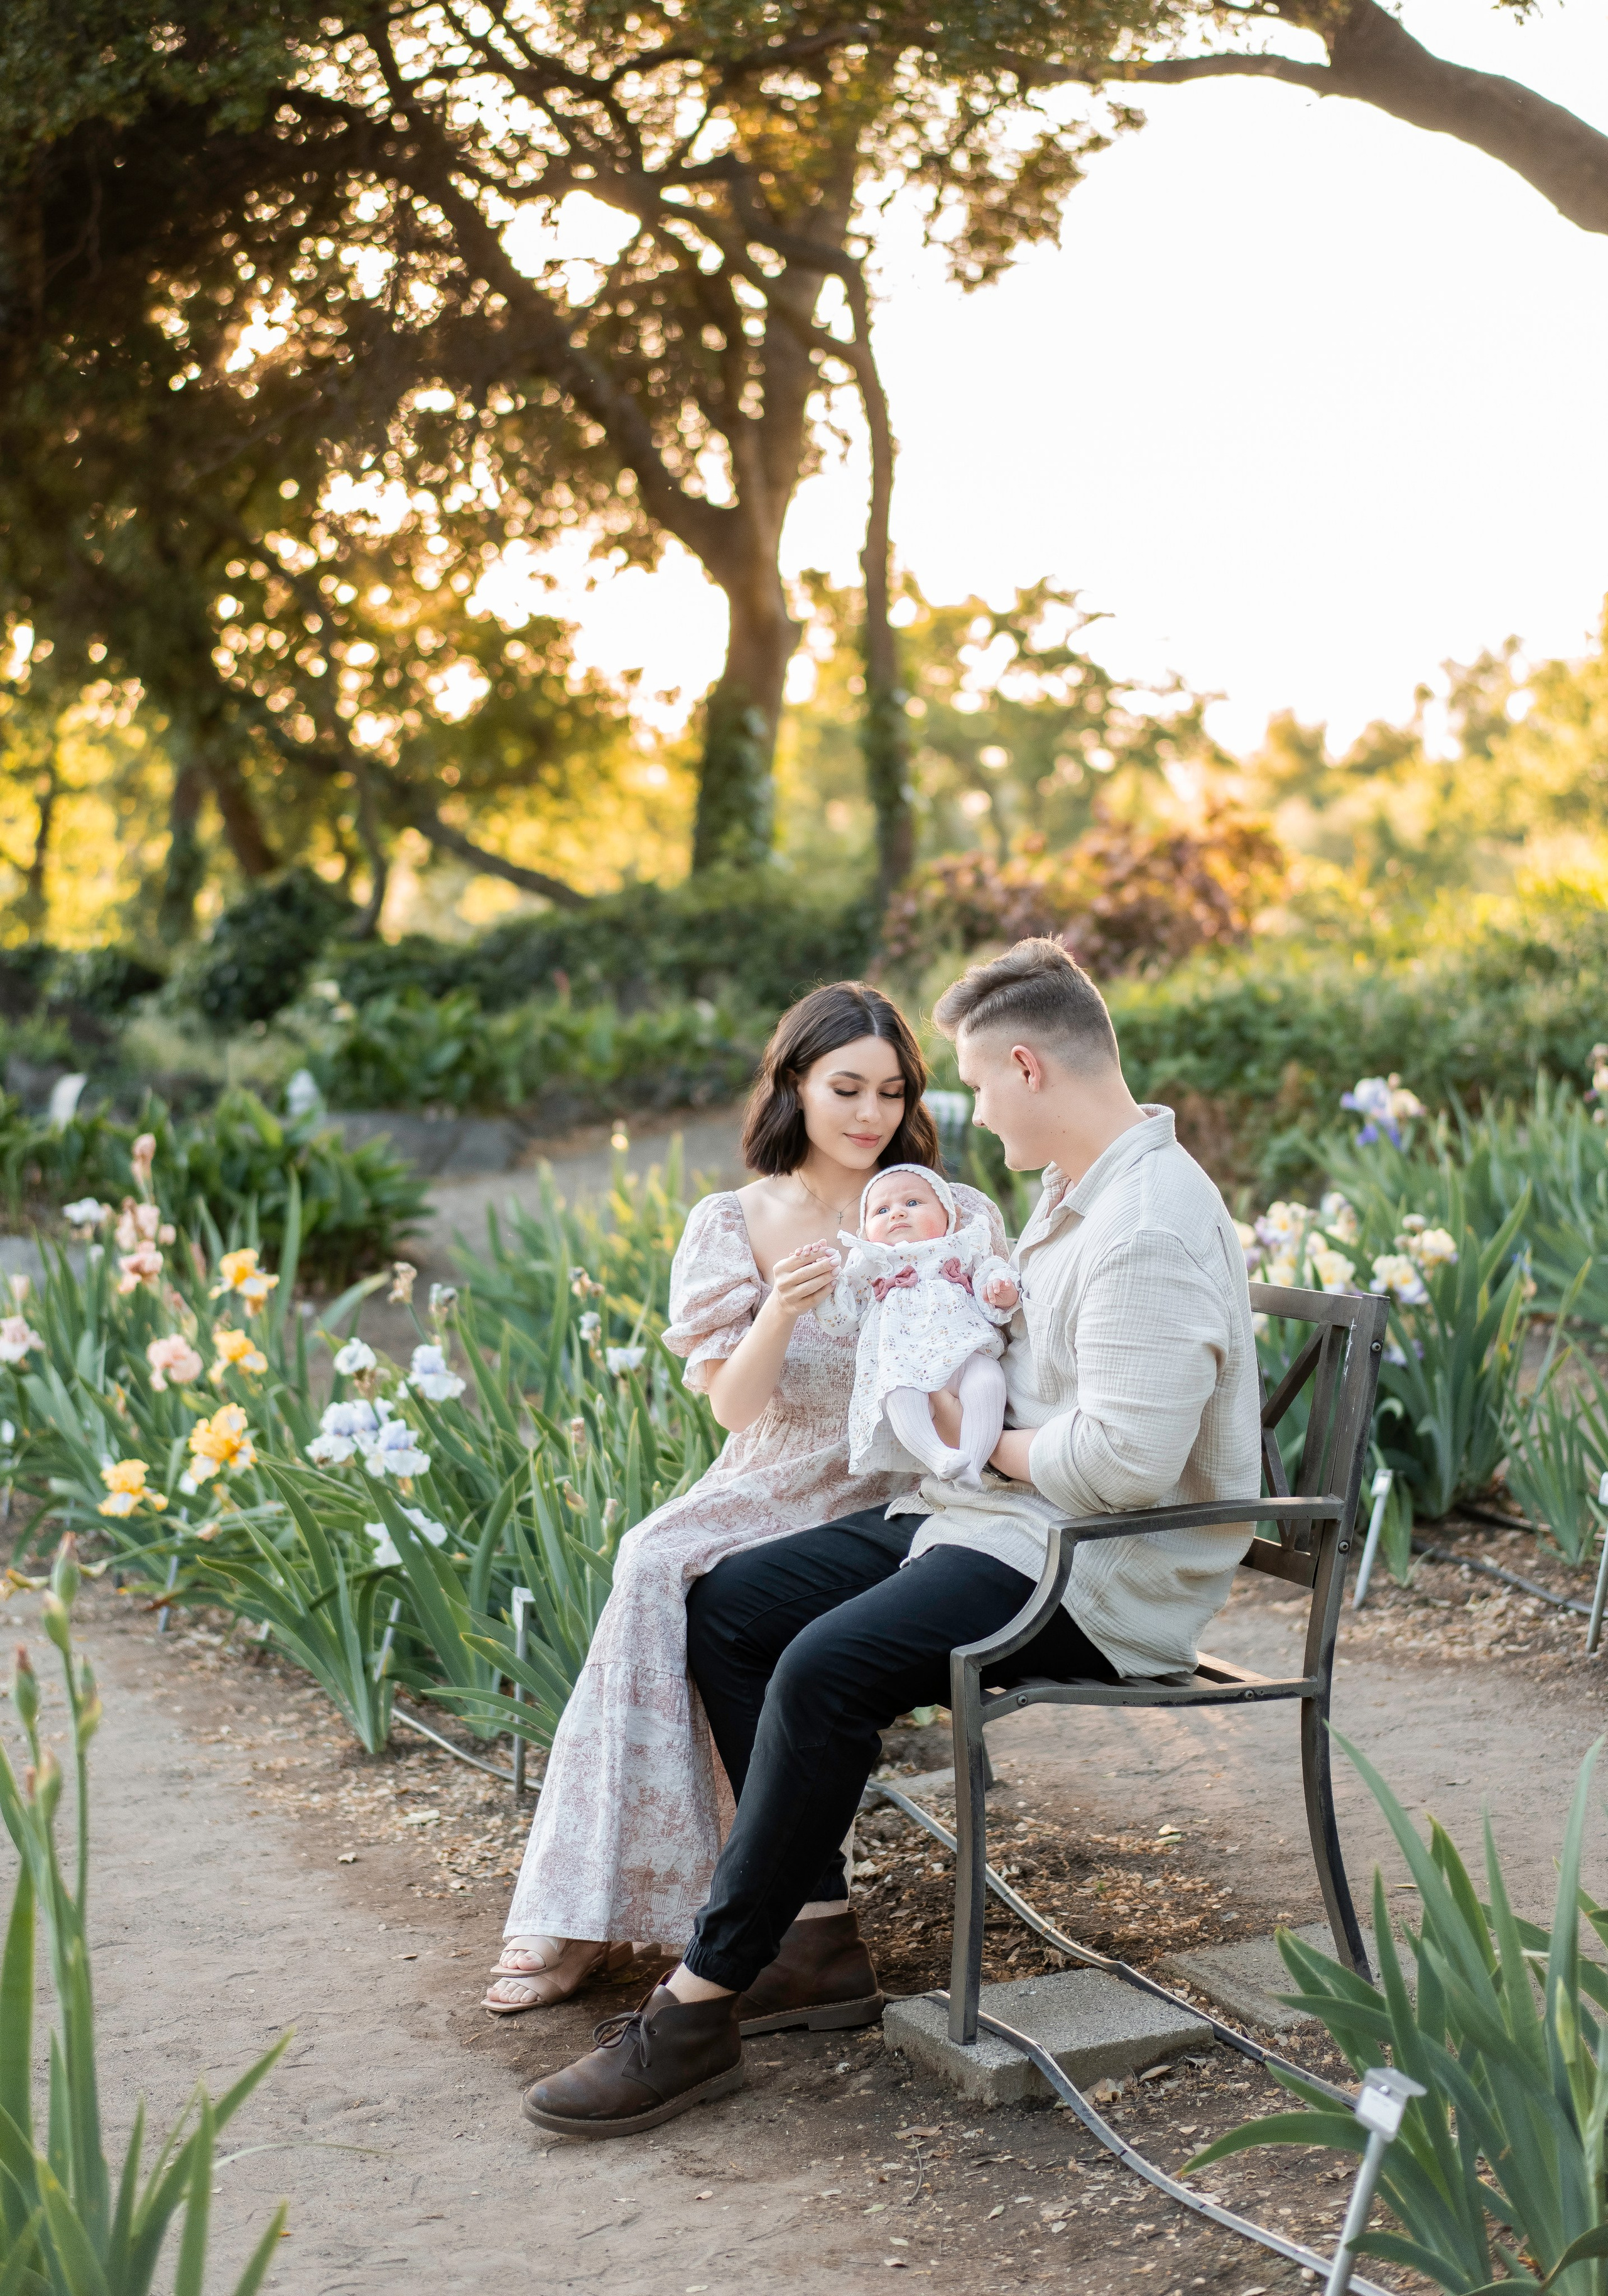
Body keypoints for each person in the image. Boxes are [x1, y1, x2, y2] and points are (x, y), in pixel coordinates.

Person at [522, 935, 1262, 2139]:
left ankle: (698, 2007)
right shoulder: (1085, 1195)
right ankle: (812, 1945)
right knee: (733, 1604)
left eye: (964, 1080)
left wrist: (978, 1446)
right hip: (993, 1522)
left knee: (824, 1666)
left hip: (1091, 1570)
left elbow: (1122, 1468)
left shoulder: (1146, 1224)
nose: (958, 1111)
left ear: (1025, 1066)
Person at [482, 981, 1006, 2013]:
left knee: (702, 1595)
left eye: (891, 1093)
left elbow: (997, 1335)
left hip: (904, 1487)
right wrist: (783, 1310)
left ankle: (681, 1908)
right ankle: (592, 1905)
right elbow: (733, 1409)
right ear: (795, 1087)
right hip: (774, 1474)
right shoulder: (738, 1220)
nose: (869, 1117)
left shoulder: (944, 1212)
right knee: (650, 1563)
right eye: (845, 1088)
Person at [815, 1162, 1019, 1488]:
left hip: (967, 1352)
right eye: (881, 1210)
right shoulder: (871, 1263)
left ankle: (973, 1465)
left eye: (912, 1203)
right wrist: (826, 1288)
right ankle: (938, 1456)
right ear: (865, 1231)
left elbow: (987, 1273)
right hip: (903, 1363)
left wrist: (1000, 1291)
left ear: (947, 1218)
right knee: (898, 1395)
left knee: (989, 1383)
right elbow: (841, 1319)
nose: (897, 1214)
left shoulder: (963, 1245)